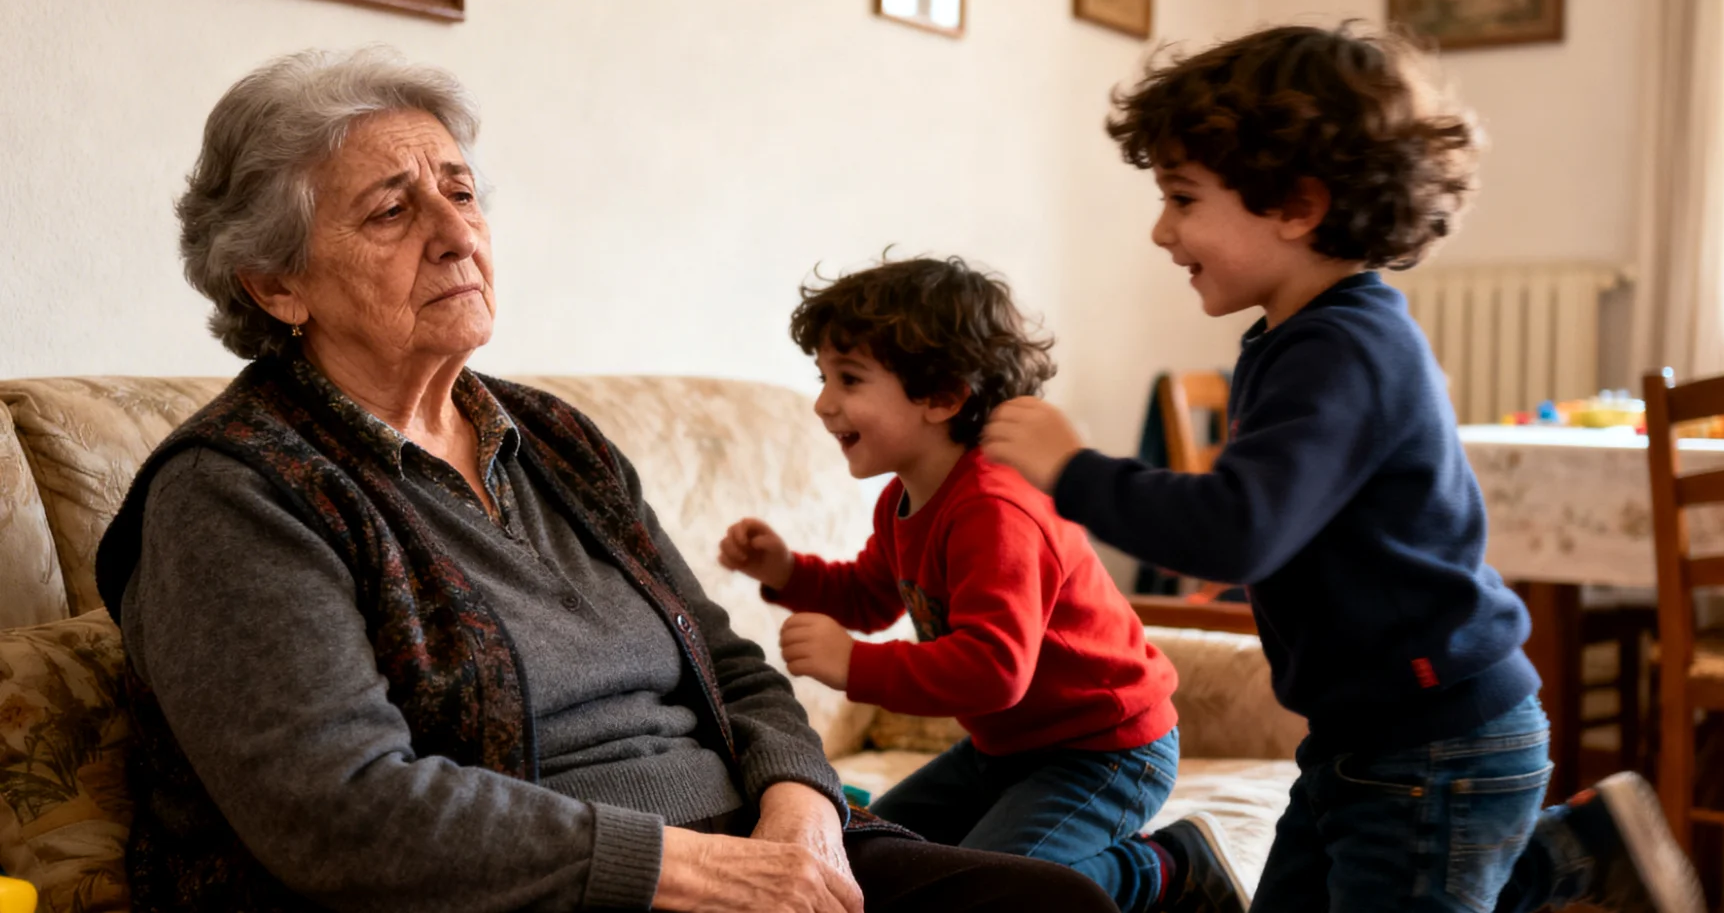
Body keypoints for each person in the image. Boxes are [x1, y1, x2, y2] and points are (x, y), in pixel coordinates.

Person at [93, 47, 1119, 913]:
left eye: (461, 192)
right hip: (560, 893)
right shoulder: (235, 494)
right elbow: (342, 809)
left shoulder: (551, 438)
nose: (458, 234)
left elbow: (731, 666)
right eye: (393, 211)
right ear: (276, 284)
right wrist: (701, 872)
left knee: (1052, 906)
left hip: (749, 851)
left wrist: (803, 812)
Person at [980, 24, 1706, 913]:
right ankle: (1569, 850)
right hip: (1366, 735)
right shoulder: (1297, 341)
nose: (1162, 230)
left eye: (1182, 198)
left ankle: (1563, 854)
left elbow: (1236, 529)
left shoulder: (1343, 350)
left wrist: (1073, 468)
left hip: (1434, 741)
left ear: (1297, 205)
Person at [717, 255, 1239, 913]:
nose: (823, 403)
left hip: (1106, 750)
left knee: (990, 894)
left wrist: (855, 665)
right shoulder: (902, 500)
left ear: (943, 396)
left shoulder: (996, 507)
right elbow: (872, 597)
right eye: (824, 377)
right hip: (1005, 748)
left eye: (848, 378)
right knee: (871, 857)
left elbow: (995, 670)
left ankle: (1167, 867)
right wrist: (787, 572)